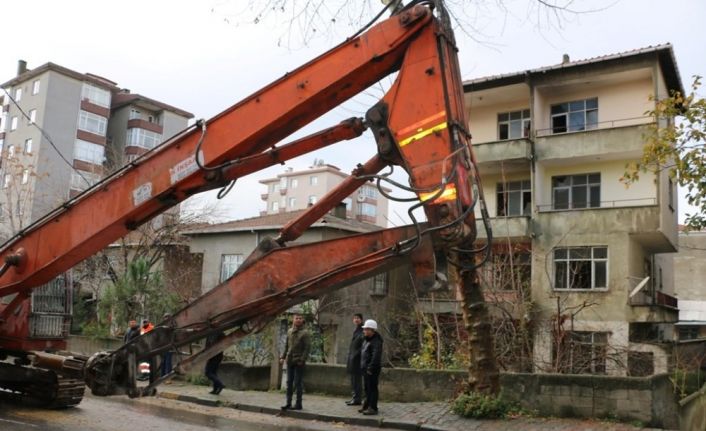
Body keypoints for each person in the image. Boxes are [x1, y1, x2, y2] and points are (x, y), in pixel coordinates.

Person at [280, 313, 311, 410]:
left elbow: (307, 348)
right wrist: (283, 357)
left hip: (298, 361)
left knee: (298, 383)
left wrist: (302, 360)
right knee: (289, 382)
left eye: (300, 318)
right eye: (296, 318)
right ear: (293, 320)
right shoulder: (289, 331)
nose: (298, 320)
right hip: (290, 360)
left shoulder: (305, 333)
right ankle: (288, 403)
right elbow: (287, 346)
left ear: (302, 320)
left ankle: (298, 404)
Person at [359, 319, 383, 415]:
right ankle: (366, 405)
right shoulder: (366, 340)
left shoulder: (376, 341)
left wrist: (370, 368)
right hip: (366, 369)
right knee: (367, 388)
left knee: (372, 388)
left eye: (366, 329)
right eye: (364, 329)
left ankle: (373, 407)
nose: (364, 331)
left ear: (371, 330)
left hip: (371, 369)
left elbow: (375, 356)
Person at [345, 313, 364, 406]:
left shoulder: (362, 330)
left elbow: (362, 346)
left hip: (357, 359)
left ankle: (357, 398)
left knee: (357, 380)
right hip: (353, 358)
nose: (356, 320)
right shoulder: (356, 330)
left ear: (361, 320)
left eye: (358, 318)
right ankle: (354, 397)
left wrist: (356, 354)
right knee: (353, 380)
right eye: (355, 318)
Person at [161, 313, 173, 380]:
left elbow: (171, 328)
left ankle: (168, 378)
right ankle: (162, 376)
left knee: (168, 362)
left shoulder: (171, 324)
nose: (166, 318)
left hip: (169, 346)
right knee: (163, 362)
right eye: (165, 317)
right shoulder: (163, 325)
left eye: (167, 317)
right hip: (163, 346)